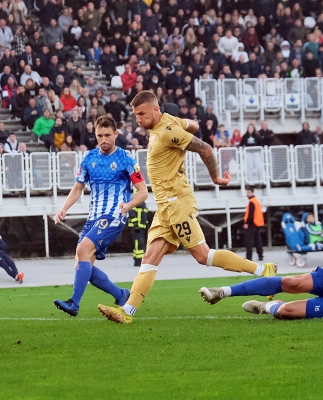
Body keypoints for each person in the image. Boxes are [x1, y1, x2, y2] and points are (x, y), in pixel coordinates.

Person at [98, 91, 277, 324]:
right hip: (165, 207)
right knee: (149, 259)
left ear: (155, 110)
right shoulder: (168, 123)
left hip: (176, 203)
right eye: (135, 115)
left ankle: (264, 270)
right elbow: (193, 124)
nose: (138, 120)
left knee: (203, 256)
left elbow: (205, 148)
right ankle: (128, 311)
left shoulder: (168, 131)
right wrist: (182, 135)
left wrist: (215, 177)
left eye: (141, 114)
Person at [52, 115, 148, 317]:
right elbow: (77, 188)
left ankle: (74, 303)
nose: (103, 140)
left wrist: (128, 205)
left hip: (114, 216)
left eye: (107, 135)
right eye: (99, 136)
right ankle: (121, 294)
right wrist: (63, 209)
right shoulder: (89, 159)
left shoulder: (127, 160)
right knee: (82, 264)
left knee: (82, 249)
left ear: (115, 134)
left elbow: (143, 191)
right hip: (93, 218)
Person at [243, 187, 264, 261]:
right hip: (257, 223)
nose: (247, 194)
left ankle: (249, 257)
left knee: (249, 240)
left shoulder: (252, 202)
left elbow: (250, 214)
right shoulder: (256, 201)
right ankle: (260, 255)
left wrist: (247, 223)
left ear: (252, 192)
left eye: (249, 192)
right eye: (247, 192)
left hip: (252, 223)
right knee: (257, 240)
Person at [127, 197, 149, 267]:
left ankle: (139, 260)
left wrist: (146, 225)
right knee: (138, 244)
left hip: (142, 228)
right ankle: (138, 260)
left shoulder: (143, 203)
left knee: (140, 244)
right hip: (136, 228)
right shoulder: (135, 202)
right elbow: (131, 212)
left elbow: (144, 216)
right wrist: (135, 223)